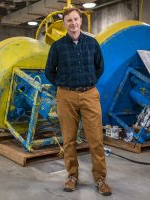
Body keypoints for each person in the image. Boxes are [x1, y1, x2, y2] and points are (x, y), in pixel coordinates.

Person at [45, 8, 112, 196]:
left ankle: (100, 180)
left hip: (90, 94)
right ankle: (72, 176)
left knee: (96, 140)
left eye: (75, 19)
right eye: (69, 20)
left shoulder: (92, 43)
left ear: (80, 21)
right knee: (69, 139)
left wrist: (88, 83)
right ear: (64, 24)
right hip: (66, 96)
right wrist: (62, 85)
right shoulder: (57, 47)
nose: (73, 23)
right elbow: (49, 71)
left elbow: (100, 67)